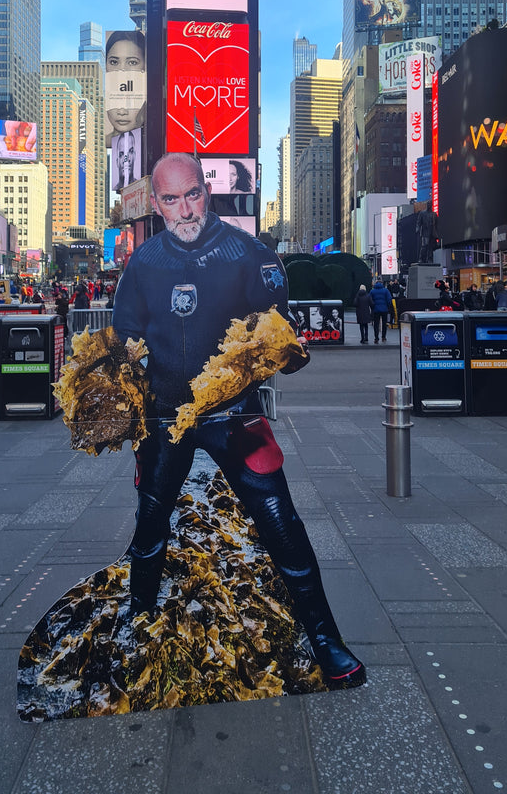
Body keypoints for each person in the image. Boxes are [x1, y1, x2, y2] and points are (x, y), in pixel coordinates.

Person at [113, 152, 365, 688]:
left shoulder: (249, 254)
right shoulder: (143, 263)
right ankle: (138, 625)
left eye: (193, 194)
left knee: (283, 524)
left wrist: (282, 348)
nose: (185, 209)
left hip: (236, 414)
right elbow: (125, 342)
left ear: (207, 191)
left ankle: (325, 638)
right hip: (166, 418)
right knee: (150, 527)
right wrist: (114, 397)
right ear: (155, 204)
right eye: (171, 199)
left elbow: (273, 333)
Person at [369, 278, 393, 344]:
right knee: (384, 323)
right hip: (384, 309)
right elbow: (389, 299)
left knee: (376, 324)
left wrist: (372, 307)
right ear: (382, 283)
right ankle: (383, 337)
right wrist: (387, 307)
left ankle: (376, 338)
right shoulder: (385, 290)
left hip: (376, 310)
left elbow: (370, 300)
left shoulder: (372, 291)